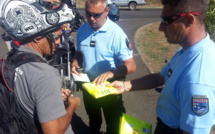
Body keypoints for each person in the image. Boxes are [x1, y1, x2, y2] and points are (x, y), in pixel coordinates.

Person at [108, 0, 215, 133]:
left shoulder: (198, 80)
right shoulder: (187, 51)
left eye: (166, 20)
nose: (160, 27)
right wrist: (125, 85)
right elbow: (160, 78)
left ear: (188, 20)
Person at [0, 0, 80, 133]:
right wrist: (72, 106)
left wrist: (50, 94)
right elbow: (53, 131)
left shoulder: (13, 57)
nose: (59, 42)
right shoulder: (45, 74)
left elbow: (26, 94)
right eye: (56, 37)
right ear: (38, 37)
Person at [71, 0, 136, 133]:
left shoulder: (116, 33)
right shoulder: (83, 29)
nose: (92, 19)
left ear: (107, 11)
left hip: (110, 86)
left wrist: (112, 73)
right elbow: (79, 53)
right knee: (93, 118)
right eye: (88, 14)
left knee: (113, 122)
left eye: (97, 15)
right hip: (89, 84)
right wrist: (75, 62)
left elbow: (131, 65)